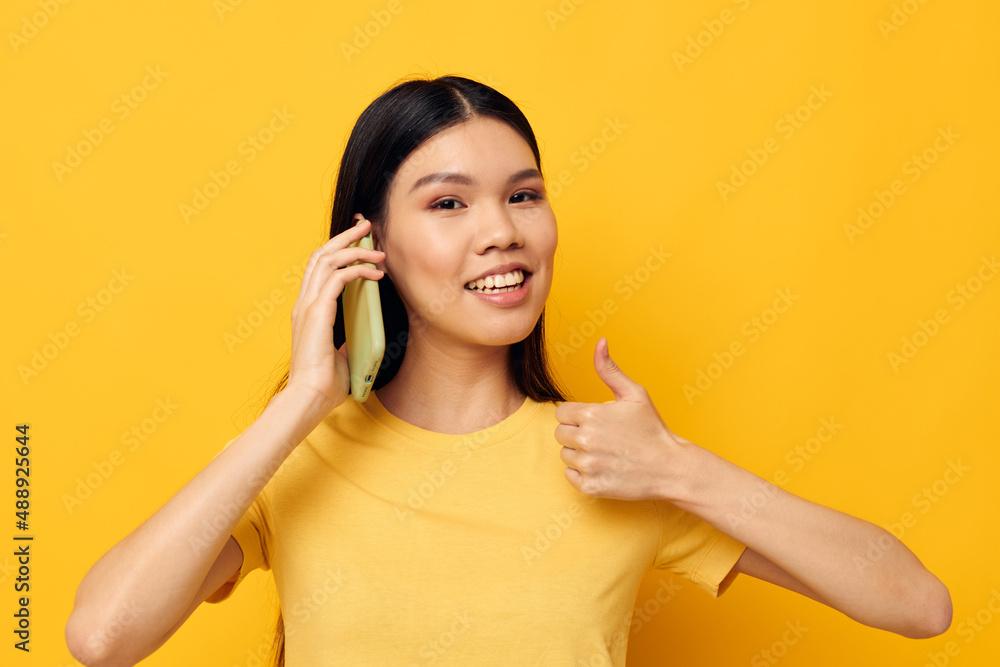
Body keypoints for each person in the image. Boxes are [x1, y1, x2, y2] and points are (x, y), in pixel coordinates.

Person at [65, 75, 952, 667]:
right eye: (449, 202)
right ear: (367, 244)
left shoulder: (612, 463)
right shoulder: (300, 458)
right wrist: (299, 404)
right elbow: (101, 637)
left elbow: (916, 603)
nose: (504, 231)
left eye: (523, 194)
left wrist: (680, 468)